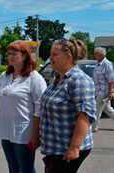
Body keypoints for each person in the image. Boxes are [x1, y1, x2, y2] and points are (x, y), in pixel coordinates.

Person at [37, 37, 96, 173]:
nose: (50, 58)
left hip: (68, 149)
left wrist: (74, 148)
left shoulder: (79, 80)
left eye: (54, 54)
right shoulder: (58, 78)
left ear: (68, 57)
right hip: (56, 147)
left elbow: (85, 115)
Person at [0, 40, 47, 173]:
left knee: (25, 169)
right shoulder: (6, 75)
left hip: (24, 131)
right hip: (6, 129)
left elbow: (40, 108)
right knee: (13, 168)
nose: (10, 56)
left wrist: (36, 134)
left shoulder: (34, 78)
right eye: (9, 53)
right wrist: (3, 106)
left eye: (14, 53)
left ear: (25, 55)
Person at [92, 47, 114, 132]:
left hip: (104, 91)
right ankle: (94, 126)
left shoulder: (107, 64)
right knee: (107, 109)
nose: (94, 56)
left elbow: (110, 79)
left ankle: (94, 127)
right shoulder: (98, 64)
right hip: (98, 90)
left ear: (101, 55)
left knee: (97, 109)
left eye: (95, 54)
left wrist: (110, 92)